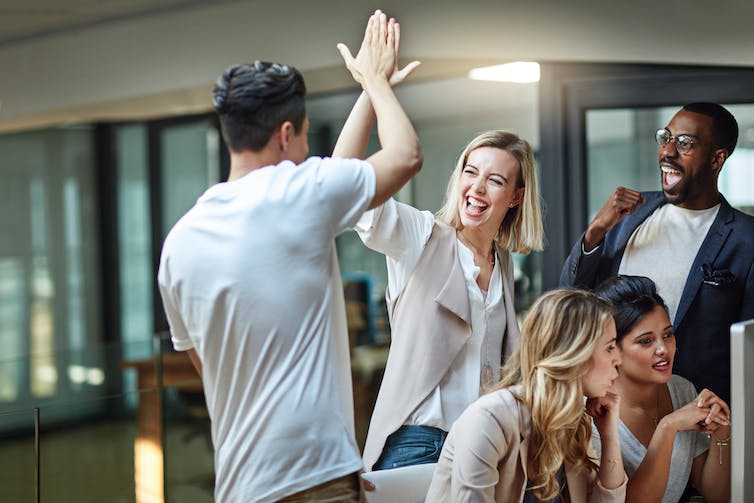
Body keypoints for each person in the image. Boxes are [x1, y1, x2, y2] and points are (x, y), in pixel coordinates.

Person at [157, 10, 422, 503]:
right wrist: (375, 82)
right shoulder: (301, 193)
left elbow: (206, 366)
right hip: (313, 478)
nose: (305, 153)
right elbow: (405, 155)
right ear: (285, 134)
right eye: (302, 138)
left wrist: (369, 91)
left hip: (241, 486)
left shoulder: (179, 242)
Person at [334, 81, 544, 471]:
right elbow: (343, 185)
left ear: (516, 196)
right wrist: (371, 85)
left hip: (483, 444)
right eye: (471, 172)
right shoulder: (420, 235)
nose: (476, 188)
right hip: (419, 441)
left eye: (495, 181)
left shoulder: (503, 263)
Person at [560, 102, 754, 404]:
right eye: (666, 137)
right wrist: (597, 229)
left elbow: (748, 353)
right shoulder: (628, 214)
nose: (667, 151)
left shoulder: (746, 238)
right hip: (607, 404)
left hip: (694, 413)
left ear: (717, 158)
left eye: (685, 143)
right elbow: (572, 295)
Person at [425, 288, 627, 503]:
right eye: (610, 348)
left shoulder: (571, 422)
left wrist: (610, 437)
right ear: (574, 353)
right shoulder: (489, 418)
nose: (618, 359)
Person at [593, 275, 731, 503]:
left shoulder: (682, 390)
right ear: (612, 348)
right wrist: (668, 427)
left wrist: (722, 434)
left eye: (667, 334)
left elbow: (716, 495)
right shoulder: (594, 412)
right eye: (646, 341)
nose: (663, 349)